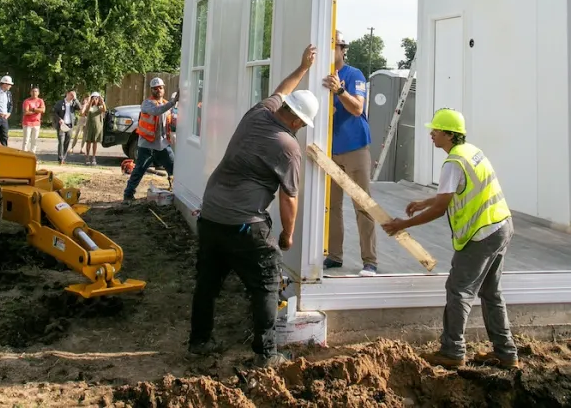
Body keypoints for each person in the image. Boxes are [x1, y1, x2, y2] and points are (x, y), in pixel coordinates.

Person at [189, 44, 318, 369]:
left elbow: (281, 90)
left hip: (211, 216)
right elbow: (289, 197)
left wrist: (302, 69)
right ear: (299, 121)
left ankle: (199, 342)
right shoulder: (287, 146)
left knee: (207, 283)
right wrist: (288, 235)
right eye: (302, 124)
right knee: (266, 285)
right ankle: (266, 353)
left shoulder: (259, 112)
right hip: (244, 225)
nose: (300, 129)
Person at [383, 108, 518, 370]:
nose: (431, 134)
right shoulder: (471, 153)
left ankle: (452, 351)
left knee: (459, 290)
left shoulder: (453, 162)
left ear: (448, 134)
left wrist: (404, 224)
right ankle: (506, 352)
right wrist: (423, 201)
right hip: (502, 225)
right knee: (491, 292)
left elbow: (441, 208)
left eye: (435, 130)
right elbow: (451, 193)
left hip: (482, 233)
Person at [322, 31, 377, 276]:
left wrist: (339, 91)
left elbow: (357, 109)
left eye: (336, 46)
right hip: (330, 151)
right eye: (329, 46)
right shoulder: (320, 77)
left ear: (343, 50)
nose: (332, 50)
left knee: (363, 205)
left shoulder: (355, 75)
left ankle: (370, 261)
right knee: (331, 207)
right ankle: (334, 256)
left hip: (355, 147)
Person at [123, 77, 175, 201]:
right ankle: (128, 194)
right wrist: (173, 102)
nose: (158, 90)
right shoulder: (147, 103)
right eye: (155, 89)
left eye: (160, 88)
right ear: (151, 90)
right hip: (147, 145)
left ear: (164, 89)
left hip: (162, 145)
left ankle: (175, 190)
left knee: (173, 168)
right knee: (139, 170)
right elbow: (157, 112)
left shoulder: (166, 104)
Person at [53, 90, 81, 165]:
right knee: (61, 142)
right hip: (61, 125)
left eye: (73, 95)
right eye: (71, 95)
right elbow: (54, 112)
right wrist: (59, 119)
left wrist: (76, 99)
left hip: (70, 126)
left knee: (67, 142)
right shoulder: (60, 103)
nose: (72, 96)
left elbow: (80, 108)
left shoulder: (73, 103)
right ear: (67, 94)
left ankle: (64, 158)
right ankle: (60, 159)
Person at [21, 85, 45, 153]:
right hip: (27, 123)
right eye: (33, 91)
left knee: (34, 140)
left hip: (36, 123)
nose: (34, 93)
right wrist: (37, 111)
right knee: (26, 140)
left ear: (38, 93)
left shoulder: (40, 101)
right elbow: (26, 112)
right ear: (30, 92)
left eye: (36, 91)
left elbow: (43, 110)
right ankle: (24, 154)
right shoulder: (27, 101)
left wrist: (33, 109)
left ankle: (32, 154)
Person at [84, 92, 106, 166]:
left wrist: (102, 102)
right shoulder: (90, 106)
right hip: (90, 126)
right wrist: (90, 102)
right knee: (88, 142)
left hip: (97, 127)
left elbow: (104, 110)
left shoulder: (99, 107)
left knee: (95, 142)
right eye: (94, 98)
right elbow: (86, 112)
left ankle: (93, 157)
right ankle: (87, 157)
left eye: (96, 98)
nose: (95, 100)